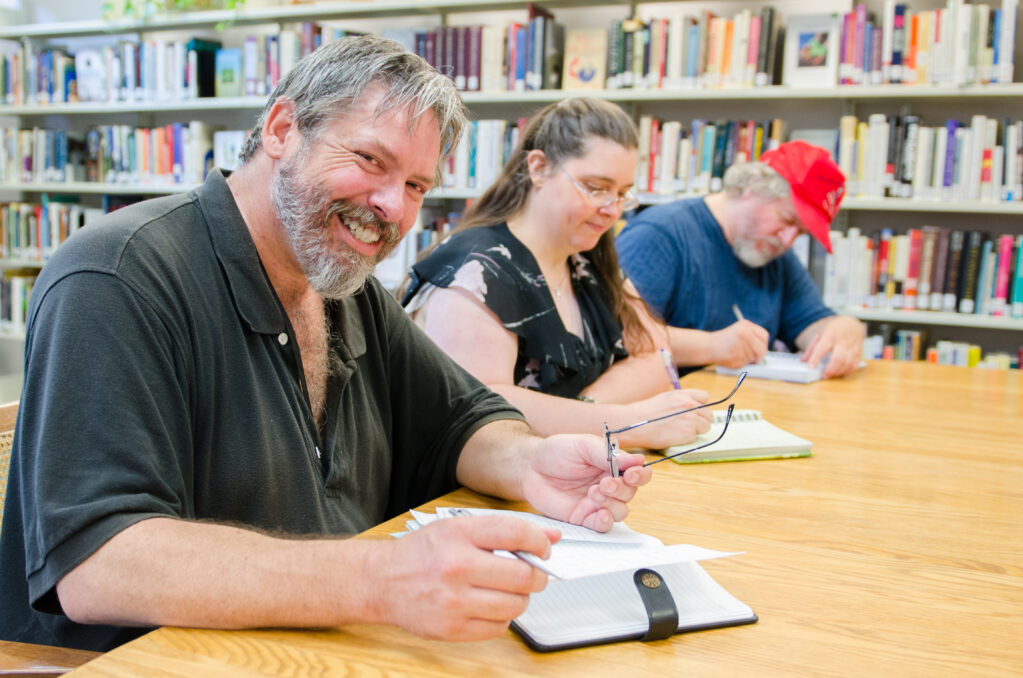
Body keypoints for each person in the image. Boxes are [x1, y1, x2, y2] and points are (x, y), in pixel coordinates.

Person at [0, 36, 652, 653]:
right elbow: (98, 562)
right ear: (283, 130)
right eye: (371, 160)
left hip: (322, 649)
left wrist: (529, 465)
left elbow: (460, 419)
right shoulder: (118, 277)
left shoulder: (342, 287)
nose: (394, 207)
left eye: (418, 186)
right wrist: (380, 578)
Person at [401, 98, 713, 452]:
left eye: (622, 193)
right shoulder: (475, 269)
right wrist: (627, 422)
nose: (612, 210)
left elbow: (657, 356)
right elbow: (481, 409)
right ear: (539, 168)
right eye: (595, 187)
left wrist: (584, 413)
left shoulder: (586, 259)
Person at [616, 140, 865, 379]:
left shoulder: (773, 253)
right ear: (752, 188)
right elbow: (620, 333)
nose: (788, 240)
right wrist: (711, 347)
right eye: (788, 220)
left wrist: (844, 329)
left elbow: (811, 325)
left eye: (800, 233)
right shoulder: (660, 235)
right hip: (668, 408)